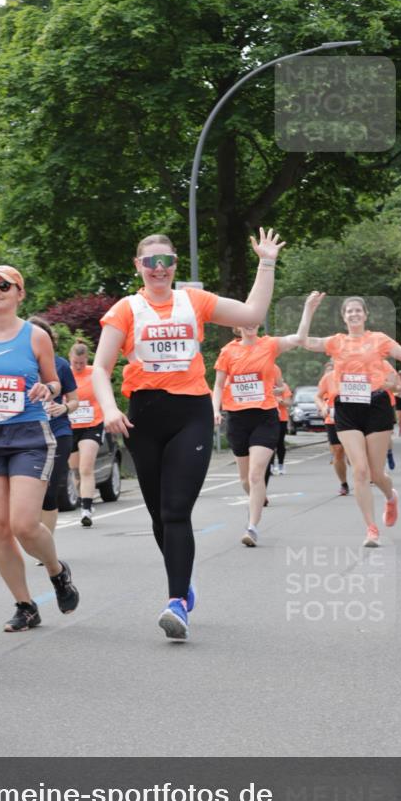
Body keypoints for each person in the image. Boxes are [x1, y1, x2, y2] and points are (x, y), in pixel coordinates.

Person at [92, 227, 289, 640]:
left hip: (191, 414)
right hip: (144, 417)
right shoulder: (126, 309)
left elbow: (252, 315)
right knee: (158, 515)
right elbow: (100, 367)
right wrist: (109, 408)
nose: (159, 268)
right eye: (151, 262)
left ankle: (177, 601)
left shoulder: (193, 300)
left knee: (176, 510)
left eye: (166, 261)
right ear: (138, 266)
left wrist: (266, 263)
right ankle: (182, 580)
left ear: (176, 265)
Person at [0, 266, 80, 631]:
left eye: (4, 286)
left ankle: (57, 572)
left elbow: (55, 381)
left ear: (19, 293)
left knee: (24, 524)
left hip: (28, 435)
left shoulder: (35, 336)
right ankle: (25, 605)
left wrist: (48, 390)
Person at [303, 294, 401, 547]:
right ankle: (371, 528)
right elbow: (303, 341)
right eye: (349, 311)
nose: (354, 314)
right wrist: (309, 310)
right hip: (346, 407)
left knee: (376, 474)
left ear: (365, 315)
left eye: (358, 311)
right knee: (361, 470)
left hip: (375, 406)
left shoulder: (379, 340)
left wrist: (393, 385)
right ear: (343, 317)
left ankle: (390, 497)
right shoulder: (336, 342)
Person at [212, 301, 316, 548]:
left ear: (258, 323)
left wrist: (308, 308)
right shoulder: (228, 352)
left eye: (254, 320)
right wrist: (215, 409)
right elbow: (218, 385)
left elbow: (300, 338)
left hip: (265, 416)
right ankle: (258, 499)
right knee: (246, 480)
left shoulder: (269, 345)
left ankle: (252, 527)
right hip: (237, 418)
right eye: (245, 320)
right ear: (237, 325)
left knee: (256, 474)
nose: (250, 324)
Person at [28, 317, 79, 539]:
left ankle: (46, 543)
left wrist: (64, 408)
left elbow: (75, 400)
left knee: (50, 490)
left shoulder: (60, 365)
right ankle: (34, 536)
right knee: (32, 492)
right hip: (28, 435)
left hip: (59, 433)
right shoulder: (18, 365)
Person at [68, 342, 104, 527]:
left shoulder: (94, 373)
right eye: (75, 363)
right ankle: (85, 499)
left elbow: (105, 394)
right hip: (71, 427)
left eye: (82, 363)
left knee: (85, 468)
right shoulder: (65, 374)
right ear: (70, 359)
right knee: (75, 472)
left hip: (92, 424)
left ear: (86, 360)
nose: (79, 366)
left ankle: (86, 510)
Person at [314, 361, 350, 496]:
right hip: (333, 418)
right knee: (338, 450)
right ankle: (344, 483)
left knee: (354, 452)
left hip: (354, 418)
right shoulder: (328, 378)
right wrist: (323, 407)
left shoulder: (357, 375)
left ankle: (363, 478)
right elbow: (318, 396)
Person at [270, 366, 292, 476]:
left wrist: (279, 400)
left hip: (281, 418)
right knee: (269, 443)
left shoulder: (283, 387)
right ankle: (270, 466)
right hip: (268, 417)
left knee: (279, 443)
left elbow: (288, 403)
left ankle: (281, 465)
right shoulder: (265, 385)